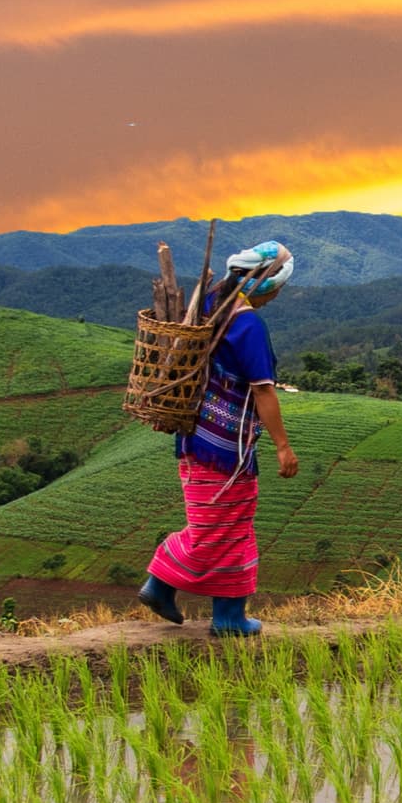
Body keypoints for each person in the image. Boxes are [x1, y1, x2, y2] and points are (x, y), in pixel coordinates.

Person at [143, 241, 297, 635]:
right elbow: (263, 389)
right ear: (264, 286)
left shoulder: (209, 303)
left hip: (193, 439)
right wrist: (283, 445)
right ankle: (215, 611)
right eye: (277, 287)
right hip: (225, 448)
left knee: (223, 525)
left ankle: (173, 593)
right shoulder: (245, 324)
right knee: (222, 530)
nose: (277, 295)